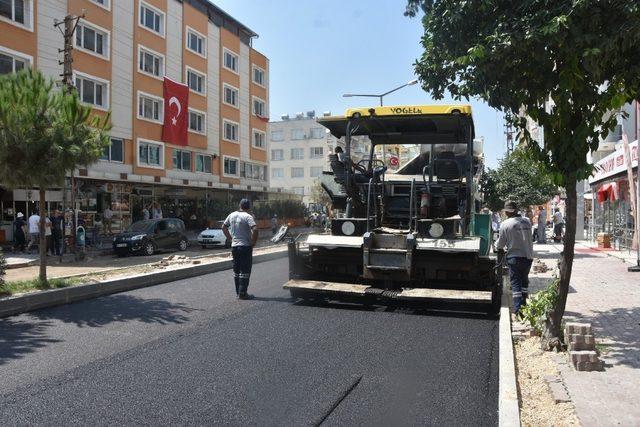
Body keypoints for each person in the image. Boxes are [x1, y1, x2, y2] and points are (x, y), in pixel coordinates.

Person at [496, 201, 534, 316]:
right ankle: (523, 306)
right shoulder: (527, 221)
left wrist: (497, 247)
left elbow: (500, 243)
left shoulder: (505, 224)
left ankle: (518, 310)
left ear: (507, 212)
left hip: (514, 257)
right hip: (528, 256)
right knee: (524, 282)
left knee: (516, 283)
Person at [222, 199, 258, 300]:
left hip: (234, 247)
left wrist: (230, 239)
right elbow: (255, 229)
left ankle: (238, 292)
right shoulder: (248, 216)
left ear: (239, 205)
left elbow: (223, 227)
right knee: (245, 269)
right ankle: (243, 293)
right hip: (245, 246)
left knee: (236, 270)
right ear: (249, 207)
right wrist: (253, 242)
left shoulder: (232, 215)